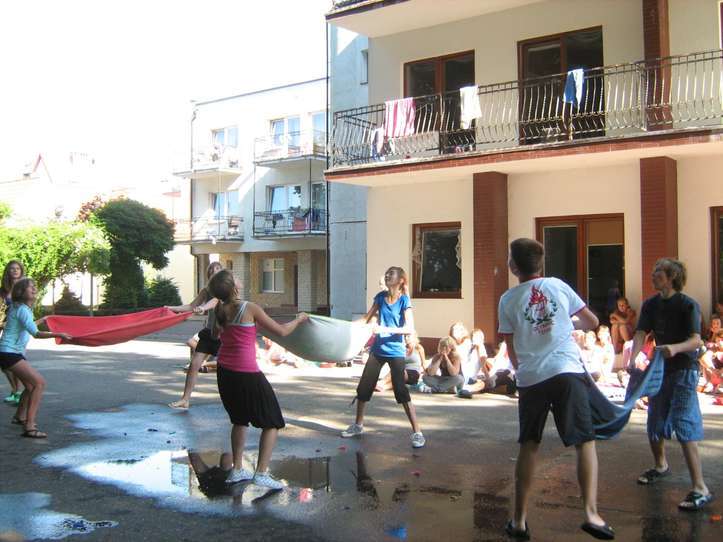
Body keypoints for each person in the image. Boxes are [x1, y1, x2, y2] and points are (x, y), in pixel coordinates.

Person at [498, 238, 613, 541]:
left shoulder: (507, 300)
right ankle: (591, 514)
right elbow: (591, 321)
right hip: (566, 372)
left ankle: (519, 521)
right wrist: (562, 321)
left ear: (513, 266)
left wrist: (522, 369)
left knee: (529, 445)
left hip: (531, 378)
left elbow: (510, 347)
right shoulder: (558, 286)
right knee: (584, 441)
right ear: (540, 264)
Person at [207, 269, 308, 489]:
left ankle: (237, 469)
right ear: (233, 286)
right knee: (272, 421)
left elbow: (215, 335)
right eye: (235, 277)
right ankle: (261, 473)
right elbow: (282, 332)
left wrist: (245, 329)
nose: (239, 278)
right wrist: (299, 319)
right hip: (246, 373)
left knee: (239, 419)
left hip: (225, 372)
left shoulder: (219, 308)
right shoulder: (249, 308)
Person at [630, 258, 713, 510]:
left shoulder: (688, 305)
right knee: (655, 419)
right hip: (660, 369)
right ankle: (660, 466)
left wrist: (674, 348)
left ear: (672, 277)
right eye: (654, 270)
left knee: (684, 422)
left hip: (685, 370)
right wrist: (633, 357)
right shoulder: (650, 304)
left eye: (659, 271)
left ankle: (700, 488)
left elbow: (696, 341)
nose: (653, 274)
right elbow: (641, 332)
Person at [340, 266, 426, 449]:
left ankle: (417, 433)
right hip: (378, 350)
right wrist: (344, 326)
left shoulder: (404, 301)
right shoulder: (380, 297)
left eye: (391, 274)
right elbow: (366, 318)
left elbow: (409, 328)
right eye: (386, 273)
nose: (387, 275)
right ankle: (358, 425)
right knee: (364, 388)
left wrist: (384, 329)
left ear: (400, 280)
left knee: (401, 391)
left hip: (396, 352)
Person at [0, 278, 72, 438]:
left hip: (9, 352)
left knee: (30, 386)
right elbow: (36, 333)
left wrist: (44, 319)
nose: (34, 289)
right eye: (30, 287)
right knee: (39, 383)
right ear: (21, 292)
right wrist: (59, 334)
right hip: (9, 353)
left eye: (35, 286)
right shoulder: (22, 309)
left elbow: (29, 325)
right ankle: (30, 426)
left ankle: (19, 416)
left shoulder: (21, 308)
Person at [167, 261, 223, 409]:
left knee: (228, 370)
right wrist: (171, 308)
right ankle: (185, 399)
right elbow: (191, 306)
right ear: (208, 274)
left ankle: (239, 400)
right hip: (208, 333)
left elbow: (215, 301)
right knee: (194, 365)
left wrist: (203, 307)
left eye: (217, 269)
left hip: (223, 336)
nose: (214, 271)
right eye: (211, 270)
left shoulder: (225, 289)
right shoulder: (206, 290)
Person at [1, 260, 25, 405]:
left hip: (19, 328)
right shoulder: (3, 290)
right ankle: (15, 390)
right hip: (5, 327)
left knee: (14, 360)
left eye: (17, 268)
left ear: (21, 271)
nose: (15, 271)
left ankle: (18, 392)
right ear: (7, 272)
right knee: (5, 363)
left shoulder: (25, 288)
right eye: (12, 269)